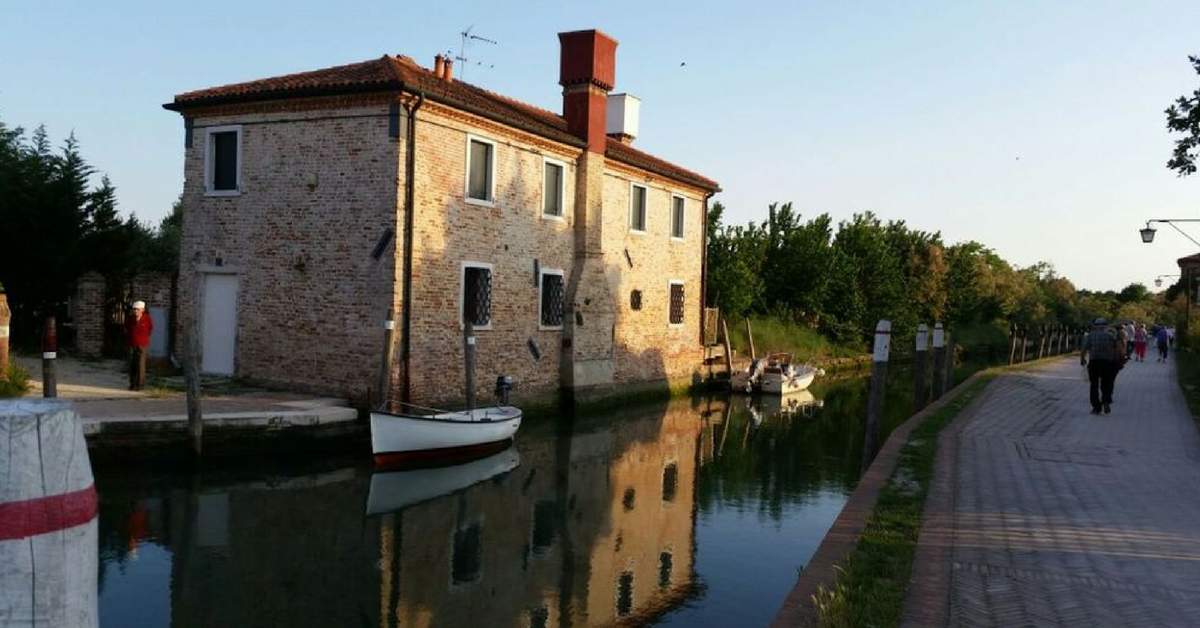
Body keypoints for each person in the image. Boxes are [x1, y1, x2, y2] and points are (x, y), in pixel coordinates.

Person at [1080, 317, 1119, 414]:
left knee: (1094, 385)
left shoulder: (1090, 336)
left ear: (1096, 326)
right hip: (1108, 362)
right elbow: (1117, 349)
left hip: (1094, 362)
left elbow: (1084, 348)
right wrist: (1115, 360)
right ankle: (1106, 402)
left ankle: (1096, 407)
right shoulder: (1111, 336)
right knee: (1107, 383)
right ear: (1105, 326)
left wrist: (1082, 359)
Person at [125, 300, 153, 390]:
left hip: (142, 344)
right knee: (132, 363)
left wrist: (144, 336)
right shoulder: (130, 318)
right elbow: (126, 328)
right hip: (132, 343)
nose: (136, 311)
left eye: (138, 309)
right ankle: (132, 384)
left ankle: (140, 385)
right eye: (134, 309)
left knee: (140, 364)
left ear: (142, 310)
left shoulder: (147, 318)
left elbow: (150, 329)